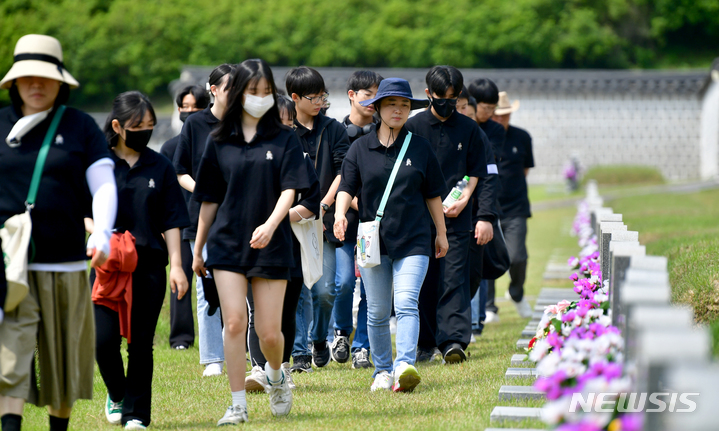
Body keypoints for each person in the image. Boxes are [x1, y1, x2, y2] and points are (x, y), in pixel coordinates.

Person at [0, 34, 118, 431]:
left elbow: (102, 181)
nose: (36, 85)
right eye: (28, 77)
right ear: (14, 81)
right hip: (9, 265)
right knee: (10, 356)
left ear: (61, 81)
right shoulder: (0, 123)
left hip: (65, 264)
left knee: (63, 364)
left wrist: (102, 233)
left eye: (45, 78)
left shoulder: (79, 126)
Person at [192, 58, 311, 424]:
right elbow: (209, 199)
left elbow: (291, 188)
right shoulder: (218, 140)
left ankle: (275, 377)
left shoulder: (284, 138)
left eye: (264, 92)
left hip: (271, 243)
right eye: (252, 91)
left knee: (269, 333)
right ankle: (237, 404)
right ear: (238, 94)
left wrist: (272, 224)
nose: (259, 98)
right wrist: (198, 249)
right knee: (233, 324)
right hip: (227, 242)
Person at [334, 78, 448, 392]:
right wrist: (341, 214)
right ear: (378, 109)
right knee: (378, 309)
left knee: (408, 301)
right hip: (373, 241)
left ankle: (403, 366)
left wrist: (441, 233)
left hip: (414, 239)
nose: (398, 110)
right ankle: (382, 370)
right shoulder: (360, 147)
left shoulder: (420, 146)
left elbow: (433, 195)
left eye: (404, 105)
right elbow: (347, 186)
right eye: (391, 104)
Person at [93, 91, 190, 430]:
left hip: (148, 266)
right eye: (138, 126)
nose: (145, 131)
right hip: (106, 266)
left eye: (150, 125)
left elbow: (173, 219)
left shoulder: (160, 166)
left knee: (141, 344)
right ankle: (118, 393)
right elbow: (79, 207)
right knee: (102, 341)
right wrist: (98, 235)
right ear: (118, 126)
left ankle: (137, 414)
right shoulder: (99, 164)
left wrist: (176, 264)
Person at [406, 66, 494, 364]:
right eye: (441, 98)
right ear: (428, 93)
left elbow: (477, 171)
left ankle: (454, 340)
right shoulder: (413, 127)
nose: (448, 105)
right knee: (425, 282)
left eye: (454, 99)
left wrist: (468, 199)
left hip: (458, 219)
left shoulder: (470, 130)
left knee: (454, 279)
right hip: (420, 221)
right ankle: (425, 342)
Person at [285, 66, 350, 371]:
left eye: (323, 96)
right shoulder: (284, 133)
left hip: (323, 220)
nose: (321, 102)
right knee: (297, 289)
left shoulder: (334, 129)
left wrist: (323, 204)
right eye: (314, 97)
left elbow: (343, 171)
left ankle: (319, 337)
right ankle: (299, 353)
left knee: (325, 291)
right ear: (294, 98)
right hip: (290, 220)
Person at [173, 64, 234, 377]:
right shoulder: (196, 123)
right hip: (205, 218)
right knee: (207, 286)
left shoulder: (247, 123)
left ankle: (245, 350)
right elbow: (180, 171)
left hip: (242, 215)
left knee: (243, 285)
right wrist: (205, 191)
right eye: (229, 88)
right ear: (213, 90)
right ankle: (213, 357)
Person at [337, 70, 384, 369]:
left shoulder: (385, 131)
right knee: (341, 284)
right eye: (367, 95)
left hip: (374, 226)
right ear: (352, 95)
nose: (372, 101)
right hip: (343, 223)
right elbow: (338, 178)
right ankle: (341, 331)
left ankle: (361, 347)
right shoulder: (335, 132)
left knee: (370, 288)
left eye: (376, 95)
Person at [160, 84, 210, 350]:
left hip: (209, 220)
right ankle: (181, 338)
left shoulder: (213, 143)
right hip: (179, 222)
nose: (189, 113)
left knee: (213, 282)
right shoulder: (169, 148)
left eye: (196, 108)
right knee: (180, 279)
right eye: (185, 108)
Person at [491, 91, 534, 319]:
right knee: (486, 258)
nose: (500, 120)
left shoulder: (522, 137)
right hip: (488, 207)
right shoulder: (483, 135)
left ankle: (516, 292)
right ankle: (489, 307)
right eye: (496, 115)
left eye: (505, 115)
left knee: (517, 256)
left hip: (516, 207)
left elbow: (525, 170)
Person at [467, 78, 507, 323]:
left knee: (485, 258)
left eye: (493, 108)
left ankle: (479, 315)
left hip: (485, 202)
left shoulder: (494, 130)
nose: (490, 113)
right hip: (461, 204)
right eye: (486, 107)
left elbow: (489, 160)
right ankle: (475, 317)